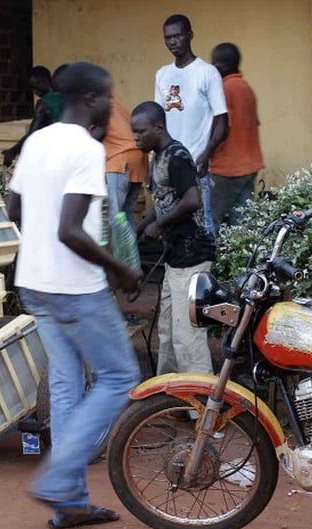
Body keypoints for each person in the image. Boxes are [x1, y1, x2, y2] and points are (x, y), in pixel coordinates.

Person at [5, 61, 142, 529]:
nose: (111, 104)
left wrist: (40, 246)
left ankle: (70, 504)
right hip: (74, 287)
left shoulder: (36, 143)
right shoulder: (85, 148)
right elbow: (69, 230)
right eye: (108, 96)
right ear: (89, 100)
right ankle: (61, 478)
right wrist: (119, 269)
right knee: (118, 376)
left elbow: (14, 208)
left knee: (66, 384)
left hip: (35, 283)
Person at [132, 101, 215, 376]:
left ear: (159, 126)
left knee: (187, 336)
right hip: (175, 258)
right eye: (134, 132)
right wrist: (143, 224)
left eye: (141, 132)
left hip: (192, 257)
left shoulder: (177, 156)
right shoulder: (159, 156)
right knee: (167, 332)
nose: (136, 138)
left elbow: (192, 200)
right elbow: (167, 199)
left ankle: (201, 404)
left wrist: (160, 223)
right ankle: (169, 395)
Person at [155, 14, 228, 236]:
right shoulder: (162, 75)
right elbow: (158, 121)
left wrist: (206, 155)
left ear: (190, 36)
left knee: (203, 227)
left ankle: (208, 271)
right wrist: (153, 163)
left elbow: (223, 124)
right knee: (169, 225)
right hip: (167, 168)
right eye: (168, 37)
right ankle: (177, 271)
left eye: (177, 36)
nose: (172, 42)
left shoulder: (207, 73)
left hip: (195, 165)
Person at [209, 42, 264, 228]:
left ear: (223, 65)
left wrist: (203, 156)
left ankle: (207, 258)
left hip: (226, 169)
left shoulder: (223, 90)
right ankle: (238, 258)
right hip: (249, 166)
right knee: (242, 226)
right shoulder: (246, 88)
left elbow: (219, 129)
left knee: (210, 220)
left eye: (216, 63)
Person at [94, 93, 148, 231]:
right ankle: (131, 253)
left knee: (114, 218)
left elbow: (99, 132)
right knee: (127, 215)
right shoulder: (114, 98)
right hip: (137, 158)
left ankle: (117, 253)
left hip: (118, 160)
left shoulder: (96, 100)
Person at [2, 66, 65, 167]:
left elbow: (33, 133)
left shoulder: (44, 103)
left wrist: (13, 151)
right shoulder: (65, 98)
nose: (35, 92)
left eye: (35, 87)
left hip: (55, 154)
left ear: (44, 82)